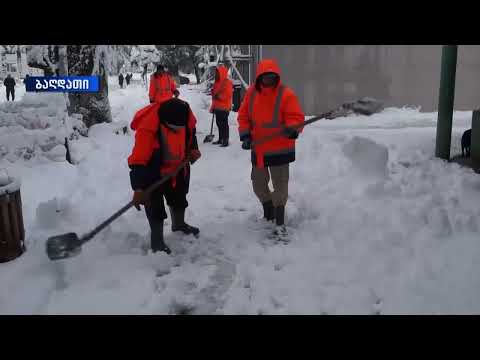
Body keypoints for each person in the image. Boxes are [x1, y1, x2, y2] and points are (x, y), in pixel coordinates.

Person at [237, 59, 305, 239]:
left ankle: (279, 221)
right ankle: (269, 211)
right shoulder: (251, 93)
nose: (268, 80)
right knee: (258, 184)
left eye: (272, 77)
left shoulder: (286, 94)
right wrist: (245, 135)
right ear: (259, 77)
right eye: (265, 77)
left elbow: (296, 117)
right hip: (259, 147)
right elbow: (243, 116)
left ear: (277, 77)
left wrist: (293, 129)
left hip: (280, 148)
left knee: (280, 186)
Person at [128, 98, 201, 254]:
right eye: (172, 128)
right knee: (154, 206)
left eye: (179, 128)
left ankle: (179, 224)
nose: (176, 131)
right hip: (153, 172)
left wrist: (193, 150)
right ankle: (157, 241)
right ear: (163, 122)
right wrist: (139, 188)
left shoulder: (187, 117)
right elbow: (138, 160)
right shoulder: (148, 128)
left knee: (179, 198)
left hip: (178, 168)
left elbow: (191, 136)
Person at [210, 64, 233, 147]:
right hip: (217, 107)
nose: (215, 75)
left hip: (224, 107)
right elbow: (215, 96)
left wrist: (218, 96)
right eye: (216, 73)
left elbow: (228, 95)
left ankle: (225, 140)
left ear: (221, 73)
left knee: (224, 124)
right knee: (219, 123)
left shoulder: (227, 83)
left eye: (217, 73)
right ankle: (221, 139)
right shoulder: (217, 83)